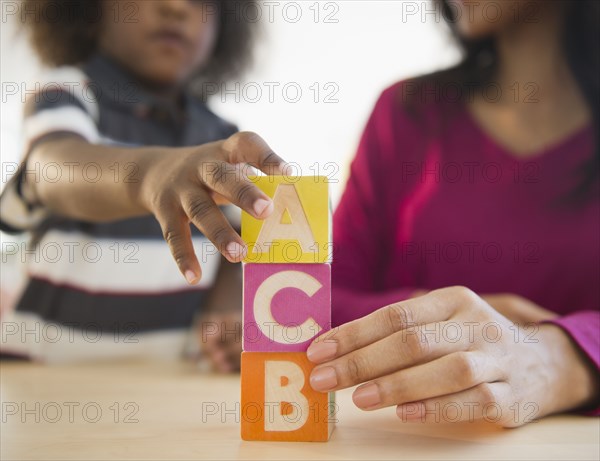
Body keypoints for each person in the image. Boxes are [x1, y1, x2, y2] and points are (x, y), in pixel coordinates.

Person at [307, 0, 599, 425]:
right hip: (406, 441)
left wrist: (560, 360)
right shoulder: (405, 111)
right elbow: (322, 296)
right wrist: (433, 317)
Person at [0, 0, 285, 368]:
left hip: (163, 391)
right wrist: (151, 174)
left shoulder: (221, 136)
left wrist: (228, 310)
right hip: (40, 382)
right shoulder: (69, 92)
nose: (175, 7)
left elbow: (234, 245)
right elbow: (50, 169)